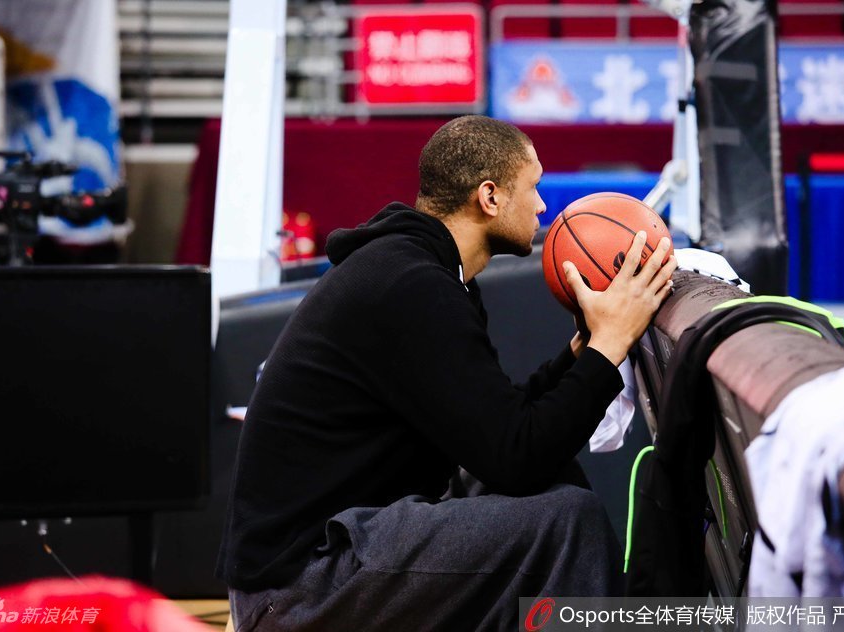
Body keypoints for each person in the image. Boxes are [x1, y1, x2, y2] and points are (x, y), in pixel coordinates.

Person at [218, 115, 677, 631]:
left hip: (327, 556)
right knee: (569, 520)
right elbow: (514, 455)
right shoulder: (412, 285)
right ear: (490, 196)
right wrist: (610, 346)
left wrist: (583, 352)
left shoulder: (423, 271)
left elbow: (497, 432)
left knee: (549, 487)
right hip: (300, 584)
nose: (543, 206)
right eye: (534, 187)